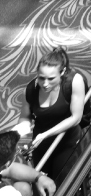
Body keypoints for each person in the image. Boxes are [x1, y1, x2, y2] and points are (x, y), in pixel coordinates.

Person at [19, 47, 86, 184]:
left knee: (61, 182)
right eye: (41, 78)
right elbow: (25, 116)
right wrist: (18, 135)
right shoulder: (31, 89)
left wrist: (45, 134)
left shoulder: (74, 81)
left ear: (62, 72)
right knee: (40, 184)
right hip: (41, 143)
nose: (45, 84)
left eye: (51, 79)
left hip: (66, 141)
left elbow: (76, 118)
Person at [0, 127, 56, 195]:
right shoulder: (8, 192)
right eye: (16, 152)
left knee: (23, 187)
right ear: (7, 164)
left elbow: (10, 169)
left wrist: (38, 177)